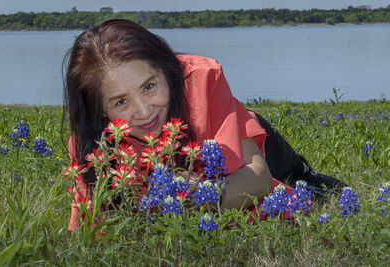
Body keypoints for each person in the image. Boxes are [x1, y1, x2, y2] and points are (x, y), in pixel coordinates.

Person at [63, 19, 347, 231]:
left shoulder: (201, 79)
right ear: (99, 110)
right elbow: (86, 231)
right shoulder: (92, 146)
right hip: (214, 154)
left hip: (229, 139)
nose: (144, 111)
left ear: (167, 70)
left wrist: (200, 196)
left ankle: (305, 173)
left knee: (304, 187)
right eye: (120, 102)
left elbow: (258, 177)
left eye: (149, 86)